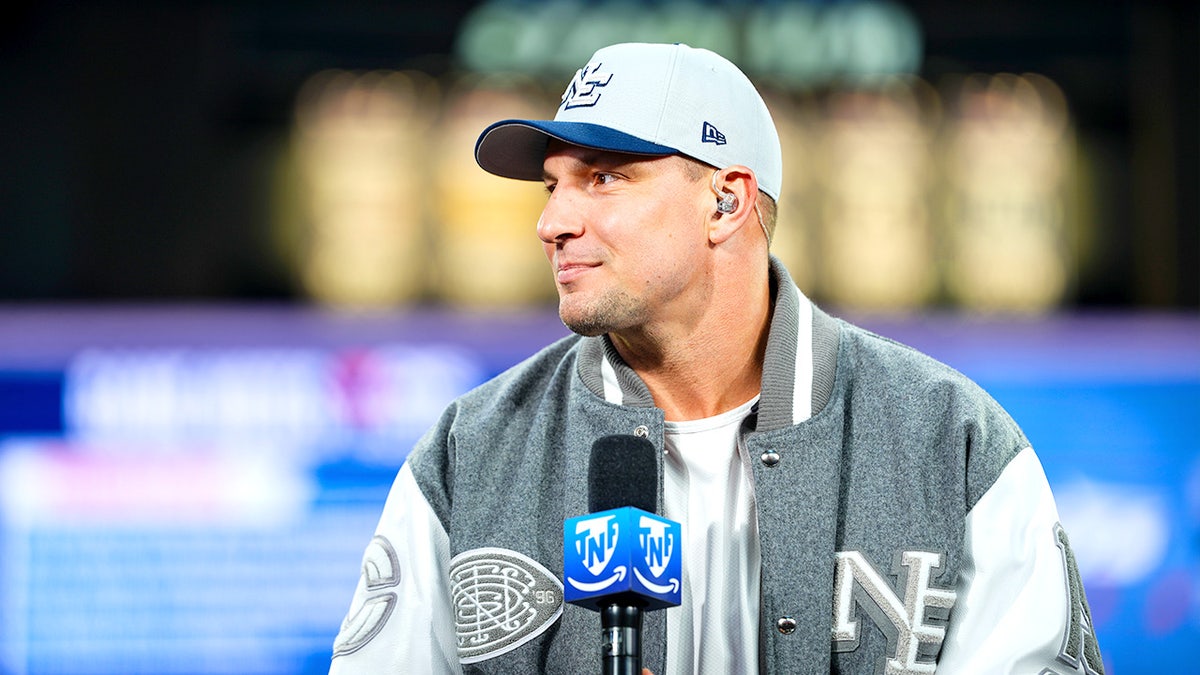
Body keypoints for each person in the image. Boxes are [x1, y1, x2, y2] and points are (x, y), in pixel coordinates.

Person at [329, 42, 1105, 674]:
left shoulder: (952, 440)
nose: (552, 221)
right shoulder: (471, 451)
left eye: (602, 178)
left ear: (726, 201)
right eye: (551, 186)